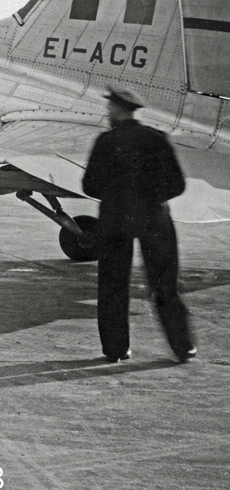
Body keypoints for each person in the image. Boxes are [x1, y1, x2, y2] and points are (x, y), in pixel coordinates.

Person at [82, 85, 196, 363]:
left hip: (114, 221)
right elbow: (177, 184)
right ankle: (183, 347)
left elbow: (89, 185)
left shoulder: (105, 141)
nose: (107, 111)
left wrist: (115, 196)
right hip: (154, 220)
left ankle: (116, 350)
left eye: (110, 107)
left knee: (112, 286)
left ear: (118, 110)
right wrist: (151, 198)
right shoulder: (157, 139)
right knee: (165, 285)